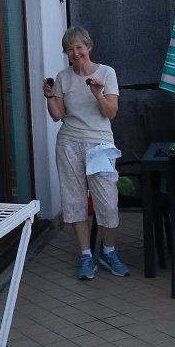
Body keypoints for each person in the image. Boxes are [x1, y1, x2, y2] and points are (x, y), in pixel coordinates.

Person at [43, 25, 129, 280]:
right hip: (69, 143)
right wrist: (49, 96)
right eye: (70, 49)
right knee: (74, 202)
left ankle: (109, 251)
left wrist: (98, 94)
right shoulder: (63, 77)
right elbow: (58, 116)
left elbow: (110, 113)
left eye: (79, 47)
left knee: (108, 202)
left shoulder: (107, 72)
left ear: (88, 47)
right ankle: (85, 256)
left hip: (100, 145)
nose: (75, 52)